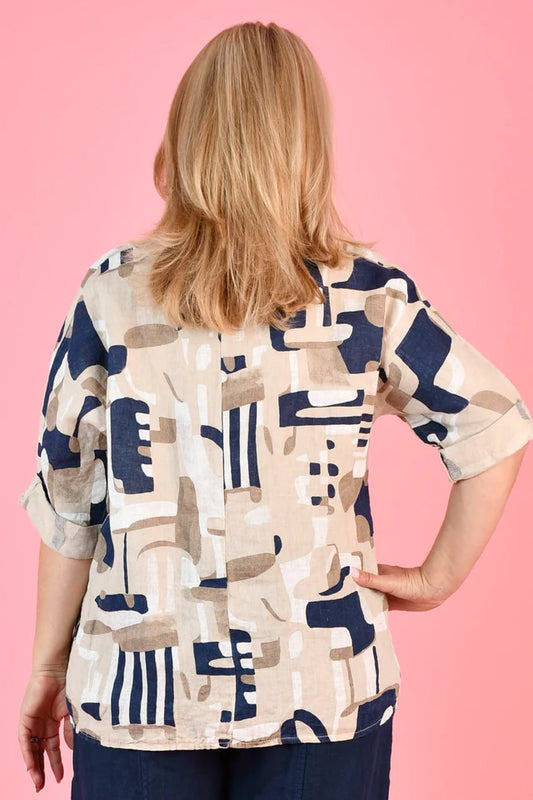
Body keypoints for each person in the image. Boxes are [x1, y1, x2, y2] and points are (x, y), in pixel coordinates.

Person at [17, 20, 533, 800]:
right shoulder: (370, 297)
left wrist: (47, 668)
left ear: (186, 135)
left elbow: (70, 502)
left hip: (138, 695)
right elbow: (492, 425)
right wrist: (435, 578)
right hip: (321, 691)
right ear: (305, 146)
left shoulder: (110, 296)